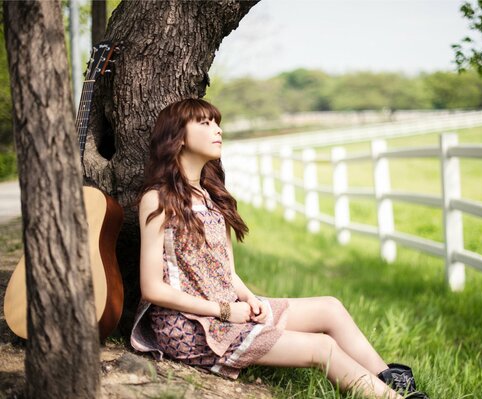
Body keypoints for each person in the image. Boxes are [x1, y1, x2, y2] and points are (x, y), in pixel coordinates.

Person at [130, 98, 428, 399]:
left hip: (228, 309)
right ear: (178, 137)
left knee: (330, 308)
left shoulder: (210, 198)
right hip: (190, 327)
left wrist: (248, 298)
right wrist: (224, 311)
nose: (217, 130)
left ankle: (391, 381)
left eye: (217, 122)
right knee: (321, 347)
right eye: (205, 123)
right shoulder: (157, 199)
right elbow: (152, 288)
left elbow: (225, 270)